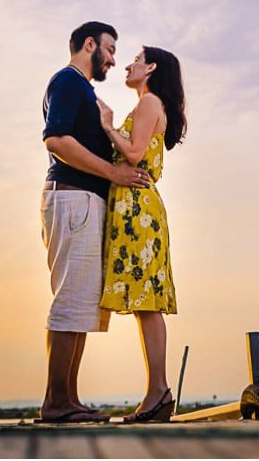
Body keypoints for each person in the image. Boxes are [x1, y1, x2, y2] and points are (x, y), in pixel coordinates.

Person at [39, 22, 151, 423]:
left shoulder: (83, 89)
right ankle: (55, 403)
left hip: (81, 202)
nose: (114, 58)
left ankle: (67, 400)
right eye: (110, 48)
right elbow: (56, 140)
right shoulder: (68, 82)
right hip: (73, 198)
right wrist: (113, 173)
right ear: (90, 44)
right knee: (70, 300)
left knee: (81, 304)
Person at [97, 46, 187, 423]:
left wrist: (106, 126)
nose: (128, 64)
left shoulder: (150, 102)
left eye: (136, 58)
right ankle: (157, 392)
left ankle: (159, 391)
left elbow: (134, 154)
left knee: (147, 304)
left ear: (150, 67)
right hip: (134, 207)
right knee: (144, 305)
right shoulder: (149, 104)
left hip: (139, 209)